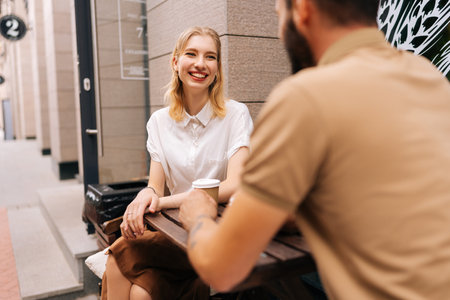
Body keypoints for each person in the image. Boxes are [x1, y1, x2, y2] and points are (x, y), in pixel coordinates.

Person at [179, 0, 450, 299]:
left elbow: (222, 268)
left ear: (303, 9)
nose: (281, 33)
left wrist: (199, 217)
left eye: (279, 15)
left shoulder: (306, 96)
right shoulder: (431, 79)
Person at [101, 26, 253, 300]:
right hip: (172, 233)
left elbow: (234, 184)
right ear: (175, 62)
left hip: (214, 231)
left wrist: (162, 203)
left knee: (120, 257)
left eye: (210, 57)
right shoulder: (159, 122)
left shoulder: (236, 115)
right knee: (137, 292)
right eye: (191, 54)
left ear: (218, 67)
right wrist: (145, 196)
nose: (200, 64)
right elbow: (155, 186)